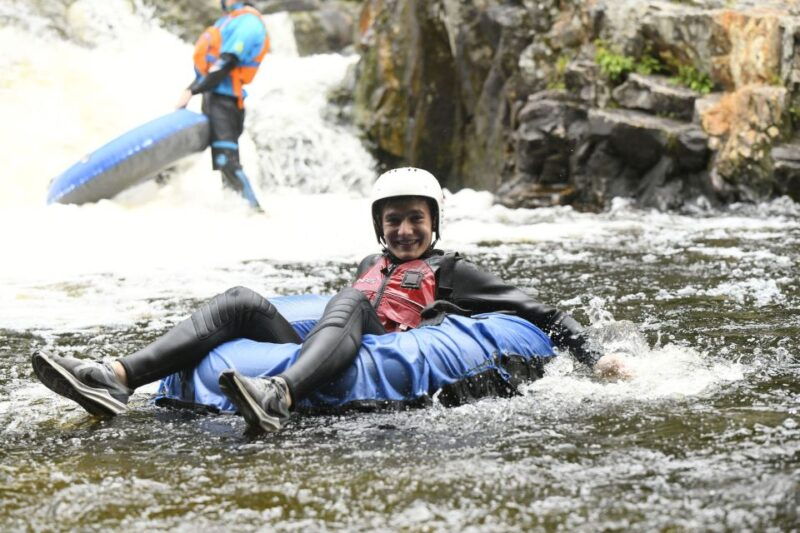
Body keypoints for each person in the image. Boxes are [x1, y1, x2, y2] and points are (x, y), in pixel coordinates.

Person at [31, 167, 630, 433]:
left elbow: (537, 312)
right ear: (380, 227)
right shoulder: (373, 266)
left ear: (433, 224)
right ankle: (115, 377)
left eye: (414, 221)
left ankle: (279, 395)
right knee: (241, 298)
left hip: (380, 347)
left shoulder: (455, 270)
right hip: (335, 344)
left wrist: (595, 356)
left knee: (346, 306)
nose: (403, 231)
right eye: (393, 221)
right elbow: (343, 313)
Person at [176, 0, 270, 209]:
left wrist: (193, 90)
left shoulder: (249, 22)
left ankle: (256, 214)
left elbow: (227, 62)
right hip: (213, 98)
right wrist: (192, 90)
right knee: (221, 162)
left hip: (226, 103)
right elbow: (212, 68)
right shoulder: (228, 21)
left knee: (227, 161)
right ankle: (236, 214)